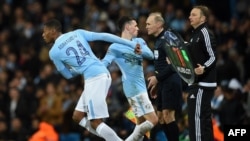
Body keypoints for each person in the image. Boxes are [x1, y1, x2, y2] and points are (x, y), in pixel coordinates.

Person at [42, 19, 140, 141]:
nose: (43, 34)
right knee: (77, 116)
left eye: (44, 31)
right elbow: (103, 36)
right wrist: (129, 44)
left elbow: (67, 75)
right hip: (99, 74)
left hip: (95, 79)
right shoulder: (77, 33)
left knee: (95, 122)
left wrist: (79, 68)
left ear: (52, 31)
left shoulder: (53, 52)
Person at [102, 16, 158, 141]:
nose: (138, 28)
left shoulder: (140, 41)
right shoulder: (115, 47)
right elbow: (105, 63)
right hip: (133, 89)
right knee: (154, 120)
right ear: (127, 27)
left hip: (141, 87)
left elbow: (150, 55)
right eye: (135, 25)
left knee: (140, 124)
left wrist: (140, 51)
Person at [146, 12, 183, 141]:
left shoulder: (169, 38)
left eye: (149, 24)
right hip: (163, 82)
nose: (146, 26)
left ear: (159, 24)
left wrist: (157, 78)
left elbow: (177, 63)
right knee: (160, 117)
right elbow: (161, 65)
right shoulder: (157, 41)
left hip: (171, 81)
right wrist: (157, 82)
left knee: (168, 116)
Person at [186, 5, 217, 141]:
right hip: (197, 83)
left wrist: (203, 67)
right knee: (203, 120)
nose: (190, 17)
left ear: (203, 18)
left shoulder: (205, 32)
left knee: (197, 119)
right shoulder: (194, 35)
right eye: (190, 14)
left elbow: (213, 56)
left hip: (203, 83)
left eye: (194, 15)